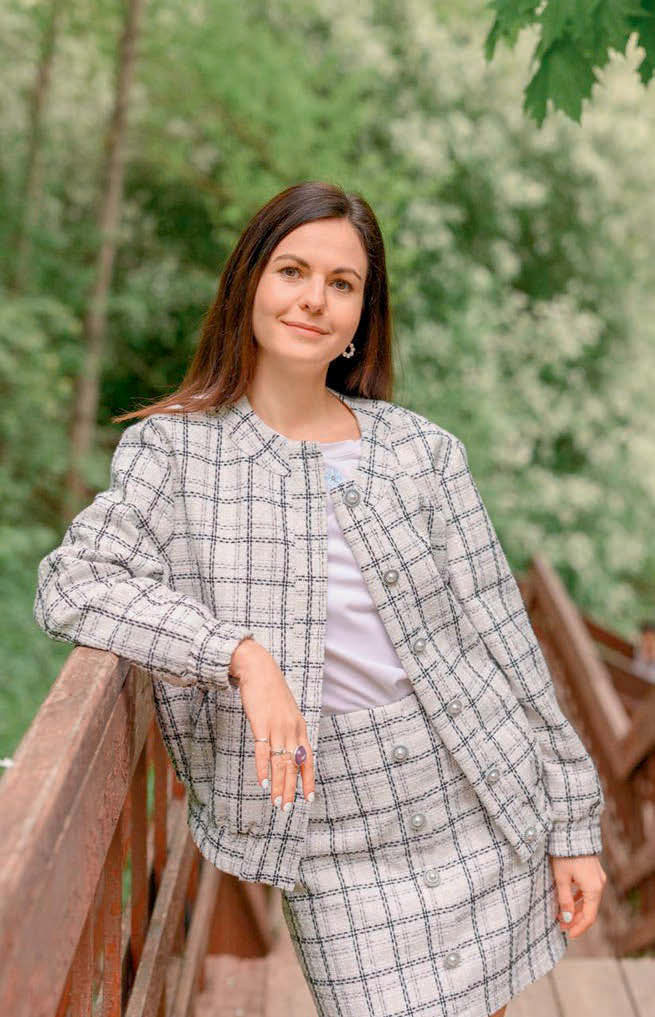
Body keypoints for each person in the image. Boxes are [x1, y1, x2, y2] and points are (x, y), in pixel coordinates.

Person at [34, 181, 607, 1017]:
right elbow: (73, 582)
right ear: (248, 285)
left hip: (473, 795)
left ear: (361, 315)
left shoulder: (421, 452)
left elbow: (506, 645)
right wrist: (239, 656)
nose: (313, 299)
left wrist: (573, 824)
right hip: (329, 832)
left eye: (342, 284)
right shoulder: (175, 451)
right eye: (292, 271)